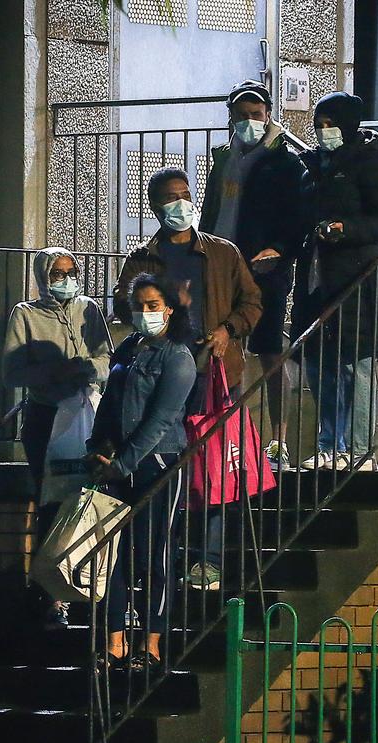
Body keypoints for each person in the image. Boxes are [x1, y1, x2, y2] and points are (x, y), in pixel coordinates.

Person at [113, 167, 262, 588]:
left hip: (214, 374)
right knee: (166, 466)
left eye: (184, 194)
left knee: (213, 467)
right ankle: (164, 558)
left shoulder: (222, 252)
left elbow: (252, 301)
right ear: (155, 207)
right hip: (162, 373)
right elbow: (125, 305)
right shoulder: (142, 258)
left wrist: (227, 329)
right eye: (169, 197)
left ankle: (208, 559)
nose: (180, 204)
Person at [87, 273, 196, 670]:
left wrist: (124, 464)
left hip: (158, 466)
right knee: (111, 555)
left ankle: (150, 643)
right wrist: (96, 447)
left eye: (153, 305)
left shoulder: (177, 356)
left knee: (154, 555)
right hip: (116, 465)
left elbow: (163, 420)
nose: (146, 313)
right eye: (139, 305)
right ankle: (114, 642)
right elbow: (108, 402)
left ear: (169, 307)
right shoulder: (128, 349)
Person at [3, 246, 112, 629]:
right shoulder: (26, 313)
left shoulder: (89, 309)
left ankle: (91, 590)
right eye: (56, 273)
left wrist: (84, 369)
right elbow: (14, 370)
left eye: (71, 271)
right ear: (42, 277)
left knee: (92, 503)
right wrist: (54, 373)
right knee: (51, 504)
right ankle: (51, 596)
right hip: (46, 417)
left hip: (89, 412)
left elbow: (106, 358)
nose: (66, 279)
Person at [199, 79, 304, 469]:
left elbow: (298, 215)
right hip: (222, 265)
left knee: (271, 352)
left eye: (256, 115)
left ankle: (278, 440)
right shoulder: (224, 158)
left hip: (265, 270)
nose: (249, 122)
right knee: (227, 350)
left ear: (269, 115)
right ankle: (233, 439)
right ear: (230, 117)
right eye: (241, 116)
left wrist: (282, 249)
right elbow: (212, 208)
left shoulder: (285, 161)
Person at [290, 92, 378, 471]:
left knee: (357, 363)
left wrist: (345, 229)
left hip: (357, 279)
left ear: (349, 126)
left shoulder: (369, 163)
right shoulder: (311, 167)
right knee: (320, 365)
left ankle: (358, 449)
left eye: (331, 124)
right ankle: (329, 445)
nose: (324, 132)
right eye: (319, 125)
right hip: (318, 279)